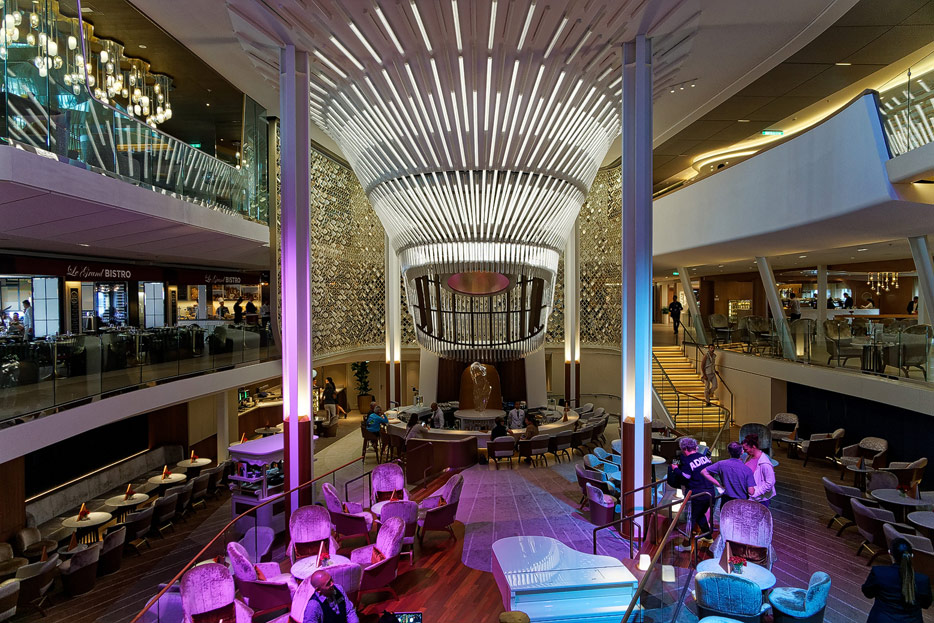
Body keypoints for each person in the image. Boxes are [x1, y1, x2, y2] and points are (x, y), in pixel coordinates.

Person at [862, 537, 932, 622]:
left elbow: (868, 593)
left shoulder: (878, 572)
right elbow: (925, 604)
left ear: (890, 553)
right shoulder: (923, 580)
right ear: (911, 556)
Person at [668, 437, 715, 551]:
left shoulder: (687, 461)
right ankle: (708, 537)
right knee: (699, 515)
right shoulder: (704, 458)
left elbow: (686, 476)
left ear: (684, 449)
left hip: (697, 494)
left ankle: (686, 544)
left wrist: (675, 469)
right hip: (710, 493)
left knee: (691, 519)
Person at [702, 441, 755, 506]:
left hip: (726, 502)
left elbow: (704, 472)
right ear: (742, 452)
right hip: (741, 503)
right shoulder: (747, 470)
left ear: (728, 452)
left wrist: (718, 484)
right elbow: (751, 492)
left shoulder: (721, 464)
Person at [742, 434, 776, 506]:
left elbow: (770, 483)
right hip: (750, 496)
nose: (744, 451)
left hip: (760, 499)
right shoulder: (749, 456)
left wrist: (756, 493)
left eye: (746, 449)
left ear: (753, 447)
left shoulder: (765, 463)